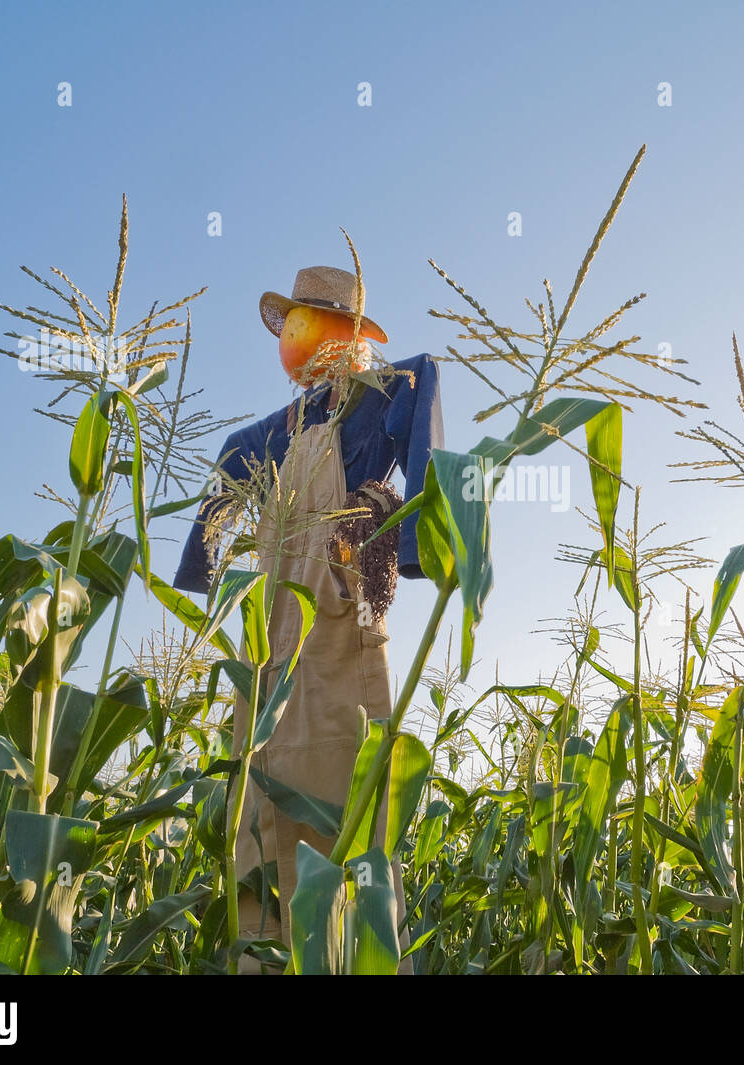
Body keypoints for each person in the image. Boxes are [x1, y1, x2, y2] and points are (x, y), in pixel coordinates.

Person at [173, 264, 444, 972]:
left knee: (346, 796)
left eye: (306, 326)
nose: (295, 342)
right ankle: (265, 952)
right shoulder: (261, 434)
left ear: (344, 336)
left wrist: (415, 544)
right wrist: (200, 575)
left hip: (338, 610)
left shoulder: (386, 393)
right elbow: (228, 474)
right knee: (261, 803)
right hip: (271, 632)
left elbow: (423, 386)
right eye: (291, 328)